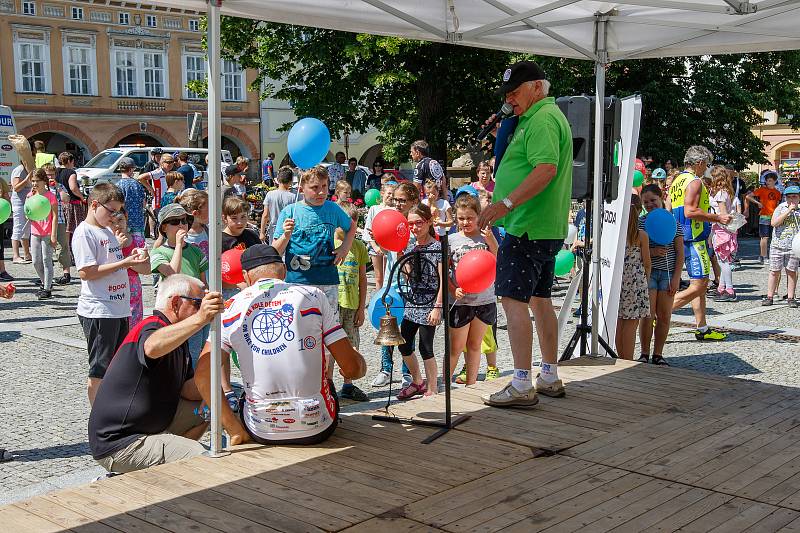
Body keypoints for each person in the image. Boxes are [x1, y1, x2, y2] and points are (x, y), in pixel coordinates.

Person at [195, 245, 367, 445]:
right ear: (284, 271)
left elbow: (202, 376)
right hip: (317, 427)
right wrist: (358, 360)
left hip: (261, 429)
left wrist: (234, 429)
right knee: (326, 384)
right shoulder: (313, 296)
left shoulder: (230, 307)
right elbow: (352, 370)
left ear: (246, 277)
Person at [478, 61, 572, 408]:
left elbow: (546, 168)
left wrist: (505, 202)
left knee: (513, 302)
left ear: (535, 86)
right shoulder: (542, 116)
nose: (510, 99)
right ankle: (548, 374)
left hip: (527, 225)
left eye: (514, 92)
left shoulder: (542, 119)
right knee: (540, 300)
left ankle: (520, 382)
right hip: (542, 226)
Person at [88, 275, 223, 473]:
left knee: (211, 410)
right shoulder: (152, 326)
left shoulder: (177, 339)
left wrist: (220, 354)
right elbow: (152, 347)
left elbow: (189, 391)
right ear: (176, 302)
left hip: (148, 428)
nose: (202, 309)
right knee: (202, 459)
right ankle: (146, 473)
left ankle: (166, 466)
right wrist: (200, 318)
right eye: (198, 304)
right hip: (120, 442)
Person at [73, 183, 151, 404]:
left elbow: (128, 265)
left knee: (116, 366)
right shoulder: (84, 232)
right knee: (99, 368)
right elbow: (86, 272)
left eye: (117, 212)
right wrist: (125, 263)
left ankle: (112, 412)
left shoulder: (107, 230)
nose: (113, 216)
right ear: (95, 204)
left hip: (118, 307)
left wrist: (135, 258)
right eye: (111, 211)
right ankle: (97, 419)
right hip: (99, 309)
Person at [670, 146, 731, 341]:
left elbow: (670, 207)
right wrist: (717, 218)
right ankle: (656, 313)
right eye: (706, 164)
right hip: (694, 238)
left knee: (698, 285)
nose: (706, 168)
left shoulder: (677, 180)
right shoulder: (695, 182)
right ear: (698, 163)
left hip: (679, 236)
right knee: (700, 284)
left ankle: (702, 328)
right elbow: (690, 211)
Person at [371, 182, 419, 388]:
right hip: (392, 283)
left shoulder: (416, 225)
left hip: (410, 285)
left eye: (403, 200)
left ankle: (407, 372)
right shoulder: (390, 218)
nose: (398, 203)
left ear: (413, 202)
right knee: (388, 325)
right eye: (396, 199)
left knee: (407, 330)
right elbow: (383, 249)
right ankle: (385, 368)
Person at [448, 194, 498, 385]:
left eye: (470, 218)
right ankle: (444, 388)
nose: (465, 222)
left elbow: (498, 260)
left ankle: (471, 385)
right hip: (461, 301)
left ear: (479, 216)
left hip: (484, 299)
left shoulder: (486, 238)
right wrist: (453, 290)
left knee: (475, 345)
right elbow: (444, 270)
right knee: (456, 347)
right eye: (461, 218)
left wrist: (492, 240)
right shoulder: (451, 240)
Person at [395, 204, 443, 400]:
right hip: (413, 301)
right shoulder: (411, 247)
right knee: (403, 344)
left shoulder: (438, 247)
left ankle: (433, 387)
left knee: (426, 346)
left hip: (431, 301)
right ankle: (417, 381)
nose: (415, 227)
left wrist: (437, 308)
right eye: (411, 224)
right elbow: (410, 277)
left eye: (419, 223)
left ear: (429, 222)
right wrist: (402, 260)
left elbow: (441, 280)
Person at [638, 184, 684, 366]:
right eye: (645, 202)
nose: (649, 204)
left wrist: (676, 277)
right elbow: (637, 248)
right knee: (647, 315)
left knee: (664, 316)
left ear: (661, 198)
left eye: (652, 200)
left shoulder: (673, 222)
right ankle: (644, 353)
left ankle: (658, 354)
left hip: (667, 274)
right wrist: (652, 251)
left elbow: (680, 253)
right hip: (648, 273)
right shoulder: (641, 222)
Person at [334, 202, 370, 402]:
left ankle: (348, 384)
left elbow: (363, 278)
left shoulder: (359, 247)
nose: (348, 231)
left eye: (352, 227)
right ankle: (327, 383)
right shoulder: (329, 242)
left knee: (351, 344)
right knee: (330, 344)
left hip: (352, 303)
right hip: (334, 303)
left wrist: (361, 308)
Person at [616, 195, 651, 360]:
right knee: (631, 323)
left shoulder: (617, 235)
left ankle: (620, 357)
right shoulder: (641, 235)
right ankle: (628, 360)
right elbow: (647, 263)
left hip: (618, 279)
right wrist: (646, 281)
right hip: (635, 281)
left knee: (619, 322)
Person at [763, 185, 800, 307]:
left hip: (793, 247)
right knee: (774, 271)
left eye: (794, 197)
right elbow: (774, 223)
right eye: (788, 197)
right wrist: (788, 211)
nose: (791, 200)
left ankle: (791, 297)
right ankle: (770, 296)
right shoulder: (781, 208)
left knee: (791, 272)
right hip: (778, 245)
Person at [221, 196, 261, 298]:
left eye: (243, 216)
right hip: (230, 292)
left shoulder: (252, 235)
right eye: (234, 218)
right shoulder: (219, 241)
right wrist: (237, 285)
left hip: (254, 288)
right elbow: (215, 274)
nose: (240, 222)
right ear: (224, 218)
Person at [27, 169, 58, 300]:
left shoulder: (50, 196)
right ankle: (45, 282)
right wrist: (28, 215)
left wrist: (53, 235)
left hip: (47, 232)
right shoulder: (30, 196)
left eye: (37, 181)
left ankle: (47, 288)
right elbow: (27, 211)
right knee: (35, 261)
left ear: (44, 181)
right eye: (33, 181)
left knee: (46, 259)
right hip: (35, 232)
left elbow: (55, 216)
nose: (34, 183)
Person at [709, 166, 739, 302]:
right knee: (723, 260)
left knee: (723, 261)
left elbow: (722, 214)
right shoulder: (728, 192)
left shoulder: (721, 193)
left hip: (721, 229)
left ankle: (729, 290)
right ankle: (721, 288)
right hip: (725, 229)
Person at [363, 182, 397, 290]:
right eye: (389, 193)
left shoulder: (396, 209)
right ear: (382, 193)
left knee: (389, 277)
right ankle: (378, 300)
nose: (391, 196)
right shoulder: (374, 208)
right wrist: (375, 247)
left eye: (393, 194)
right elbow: (368, 229)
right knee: (379, 278)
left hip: (390, 249)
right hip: (376, 247)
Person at [43, 163, 71, 286]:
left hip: (59, 220)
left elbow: (66, 199)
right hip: (43, 222)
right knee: (45, 249)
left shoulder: (60, 186)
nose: (50, 177)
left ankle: (66, 273)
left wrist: (59, 188)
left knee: (62, 247)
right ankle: (46, 275)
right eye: (47, 175)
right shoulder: (40, 188)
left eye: (52, 174)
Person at [746, 172, 782, 264]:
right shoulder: (762, 190)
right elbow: (748, 196)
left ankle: (772, 255)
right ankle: (763, 256)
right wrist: (758, 203)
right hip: (764, 216)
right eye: (767, 181)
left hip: (774, 217)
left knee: (775, 237)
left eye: (770, 180)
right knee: (764, 237)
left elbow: (777, 205)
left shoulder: (778, 193)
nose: (768, 182)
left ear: (775, 181)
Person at [115, 157, 148, 257]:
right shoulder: (137, 184)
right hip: (138, 221)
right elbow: (143, 203)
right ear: (130, 169)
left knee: (125, 249)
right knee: (139, 250)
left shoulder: (117, 185)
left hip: (124, 222)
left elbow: (119, 205)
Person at [138, 153, 174, 237]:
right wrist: (150, 189)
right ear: (161, 163)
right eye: (167, 162)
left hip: (168, 202)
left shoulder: (170, 173)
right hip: (159, 202)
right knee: (162, 224)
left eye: (172, 162)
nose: (170, 164)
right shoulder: (158, 172)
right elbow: (140, 178)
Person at [259, 166, 295, 243]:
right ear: (291, 181)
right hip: (289, 229)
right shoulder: (294, 197)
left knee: (274, 251)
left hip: (274, 230)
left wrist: (262, 232)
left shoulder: (270, 194)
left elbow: (265, 215)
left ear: (278, 180)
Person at [9, 162, 32, 264]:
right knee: (18, 228)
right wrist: (27, 179)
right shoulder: (19, 170)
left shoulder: (29, 168)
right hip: (19, 203)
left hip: (28, 203)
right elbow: (16, 187)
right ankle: (16, 255)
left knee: (26, 229)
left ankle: (27, 254)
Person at [178, 189, 210, 261]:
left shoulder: (208, 229)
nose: (212, 213)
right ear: (195, 213)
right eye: (209, 210)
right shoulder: (182, 235)